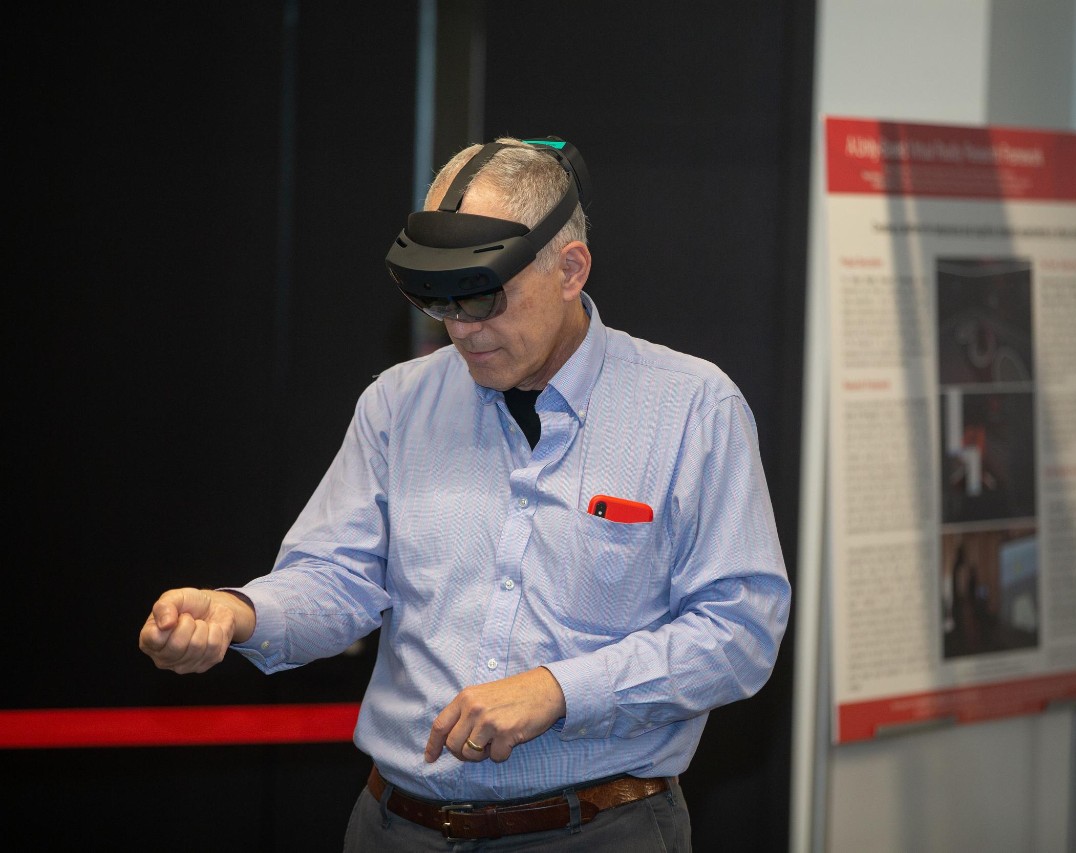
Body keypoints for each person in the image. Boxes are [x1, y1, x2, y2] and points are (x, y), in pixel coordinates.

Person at [139, 136, 791, 851]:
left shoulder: (692, 408)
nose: (462, 330)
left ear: (570, 269)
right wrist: (239, 611)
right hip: (396, 827)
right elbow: (340, 577)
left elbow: (740, 630)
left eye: (484, 296)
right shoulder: (397, 404)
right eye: (437, 301)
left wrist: (558, 690)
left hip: (596, 829)